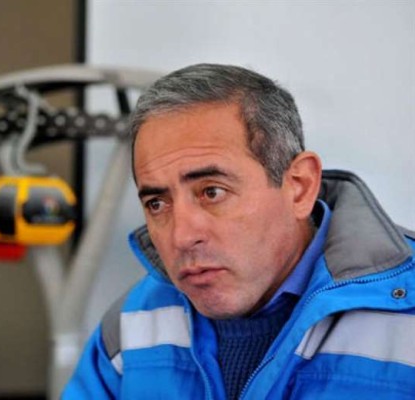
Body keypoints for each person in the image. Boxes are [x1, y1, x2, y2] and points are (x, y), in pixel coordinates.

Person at [62, 64, 415, 399]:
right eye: (157, 203)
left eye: (212, 192)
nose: (181, 237)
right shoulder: (133, 322)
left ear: (299, 187)